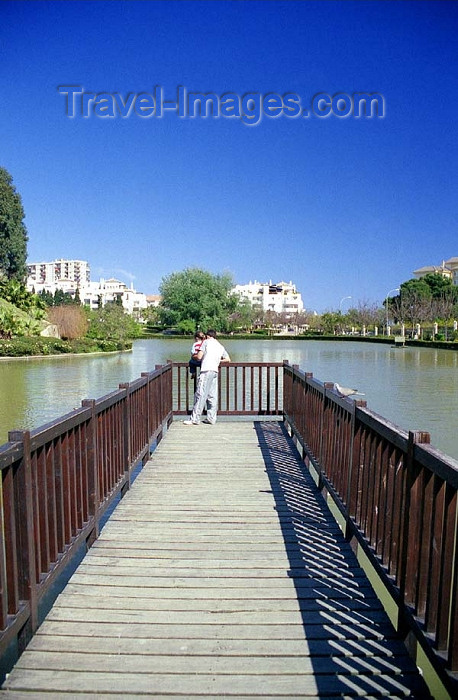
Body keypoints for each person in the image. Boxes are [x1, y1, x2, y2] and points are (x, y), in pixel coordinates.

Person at [183, 329, 231, 425]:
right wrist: (217, 361)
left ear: (208, 336)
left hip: (206, 370)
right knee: (212, 395)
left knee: (200, 394)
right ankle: (211, 418)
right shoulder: (220, 345)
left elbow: (199, 357)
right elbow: (228, 359)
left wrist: (193, 357)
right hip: (214, 371)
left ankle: (195, 419)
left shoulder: (206, 342)